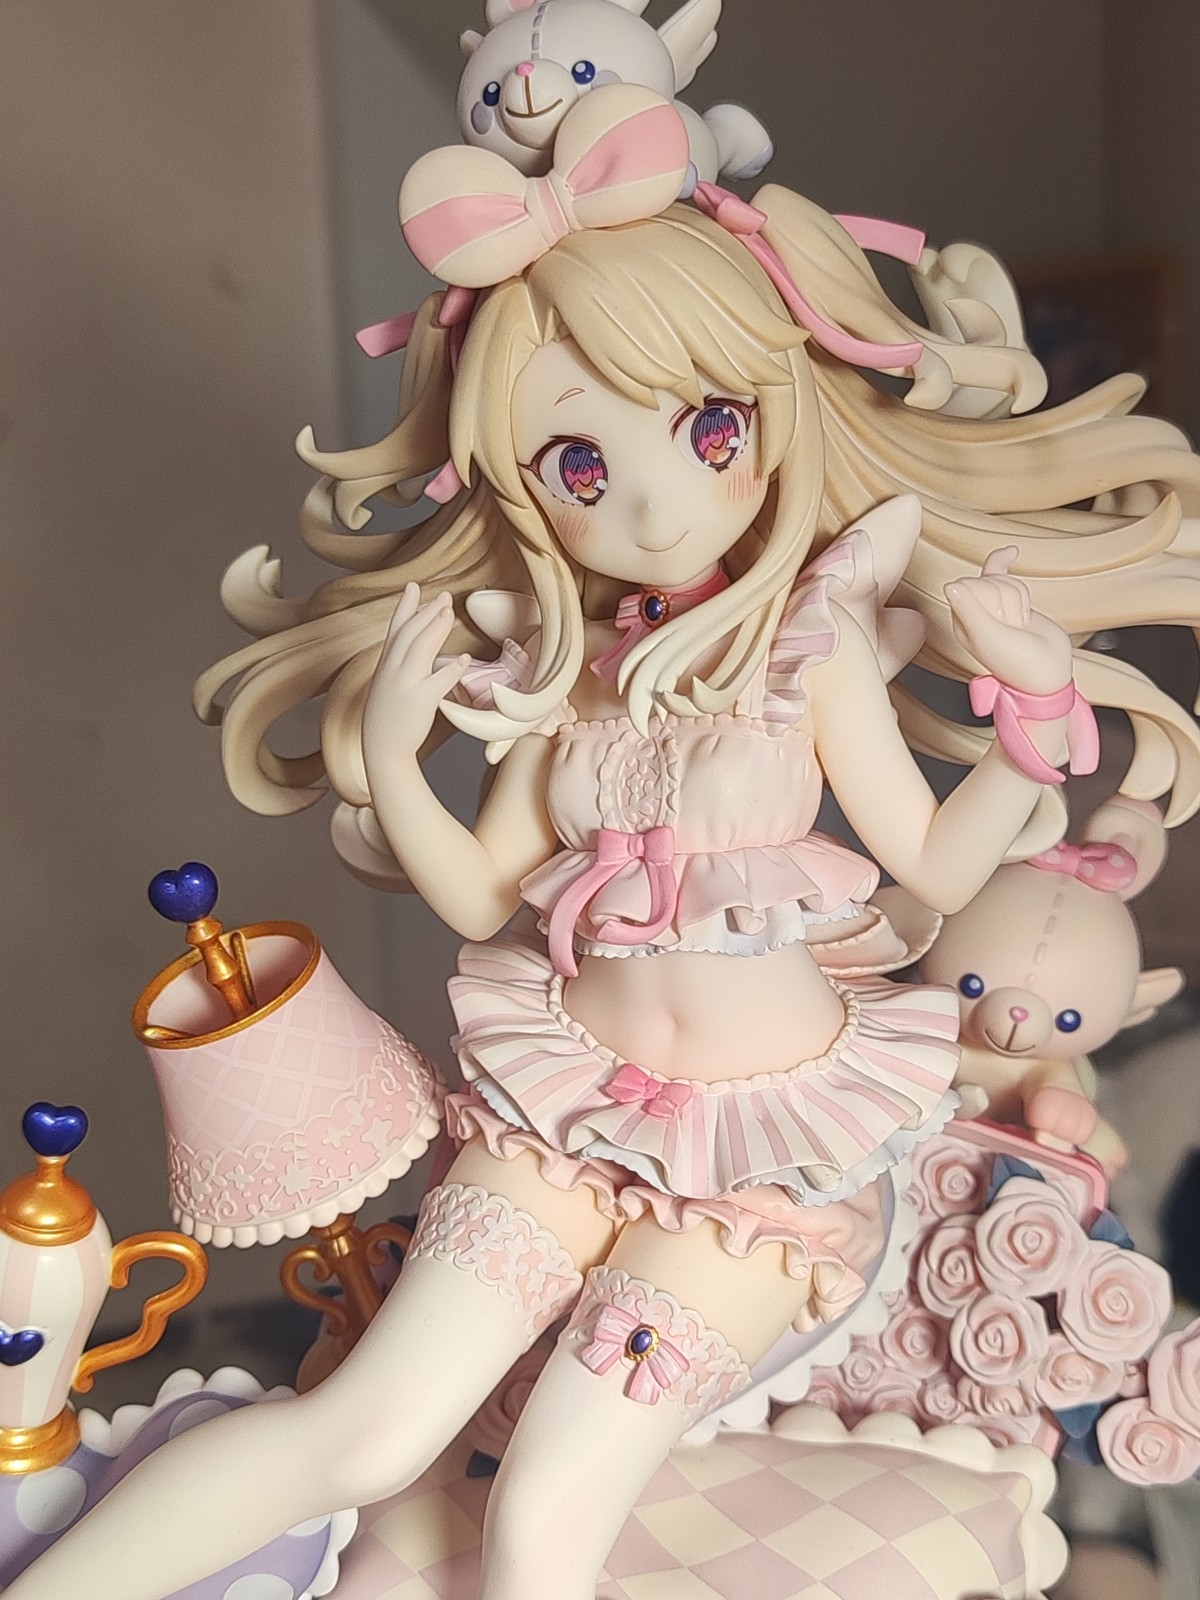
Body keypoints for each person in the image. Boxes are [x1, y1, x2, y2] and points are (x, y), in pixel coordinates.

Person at [12, 86, 1200, 1600]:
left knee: (549, 1508)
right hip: (557, 1119)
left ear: (772, 414)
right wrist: (396, 757)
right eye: (578, 467)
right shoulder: (565, 679)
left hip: (754, 1165)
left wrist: (1031, 714)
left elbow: (931, 872)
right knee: (361, 1438)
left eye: (708, 427)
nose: (649, 504)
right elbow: (484, 895)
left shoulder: (811, 648)